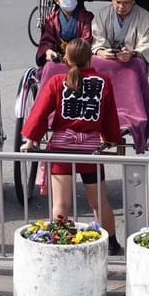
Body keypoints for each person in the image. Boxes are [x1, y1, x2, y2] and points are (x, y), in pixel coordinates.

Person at [20, 38, 122, 255]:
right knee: (99, 204)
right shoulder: (103, 81)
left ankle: (59, 244)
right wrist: (111, 138)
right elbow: (109, 115)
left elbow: (39, 114)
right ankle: (112, 244)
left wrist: (31, 140)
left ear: (66, 59)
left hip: (61, 149)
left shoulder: (58, 81)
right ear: (90, 58)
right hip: (90, 151)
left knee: (61, 204)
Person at [91, 0, 149, 74]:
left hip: (132, 60)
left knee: (136, 64)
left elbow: (148, 44)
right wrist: (101, 51)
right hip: (106, 59)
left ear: (133, 0)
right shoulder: (102, 15)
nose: (121, 6)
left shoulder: (146, 18)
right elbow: (97, 38)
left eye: (126, 2)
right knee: (94, 62)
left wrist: (132, 54)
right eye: (118, 2)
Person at [36, 0, 94, 67]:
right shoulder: (51, 19)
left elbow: (86, 39)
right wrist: (48, 51)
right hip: (58, 58)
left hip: (80, 58)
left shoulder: (86, 17)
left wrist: (72, 53)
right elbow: (47, 40)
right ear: (57, 0)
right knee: (48, 68)